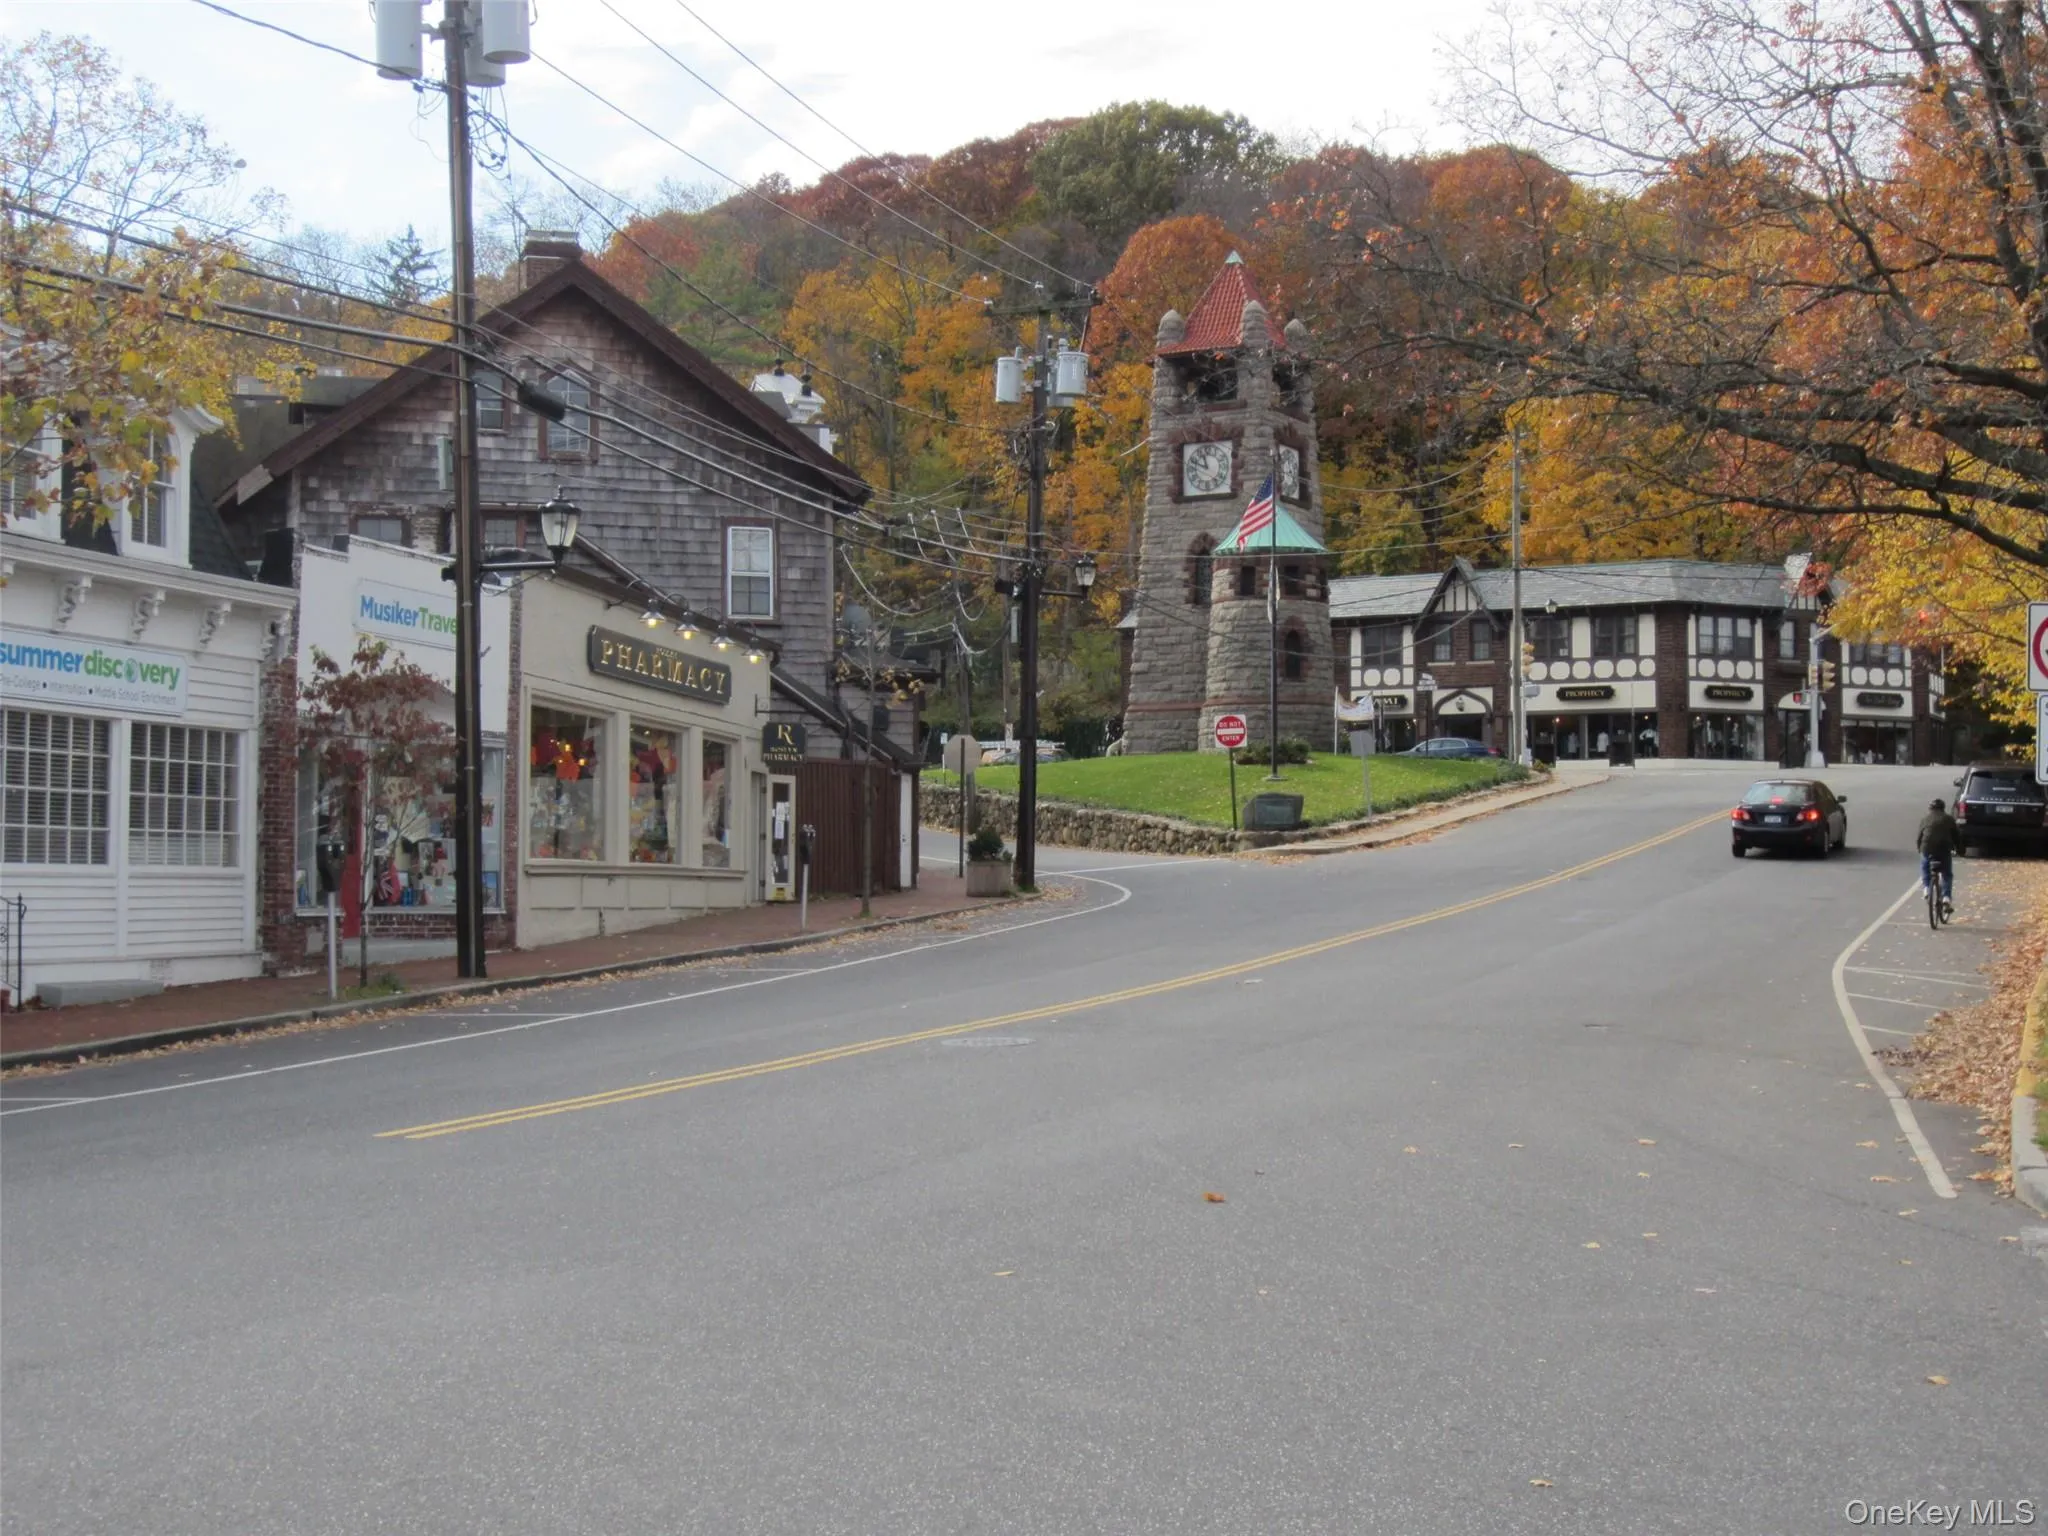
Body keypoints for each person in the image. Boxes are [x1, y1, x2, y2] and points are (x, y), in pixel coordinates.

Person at [1917, 797, 1959, 918]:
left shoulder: (1925, 819)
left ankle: (1926, 888)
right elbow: (1957, 837)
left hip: (1927, 848)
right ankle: (1946, 897)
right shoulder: (1949, 819)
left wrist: (1920, 849)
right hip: (1944, 849)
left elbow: (1919, 837)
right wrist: (1960, 850)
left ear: (1931, 809)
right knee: (1947, 874)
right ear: (1943, 808)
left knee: (1925, 866)